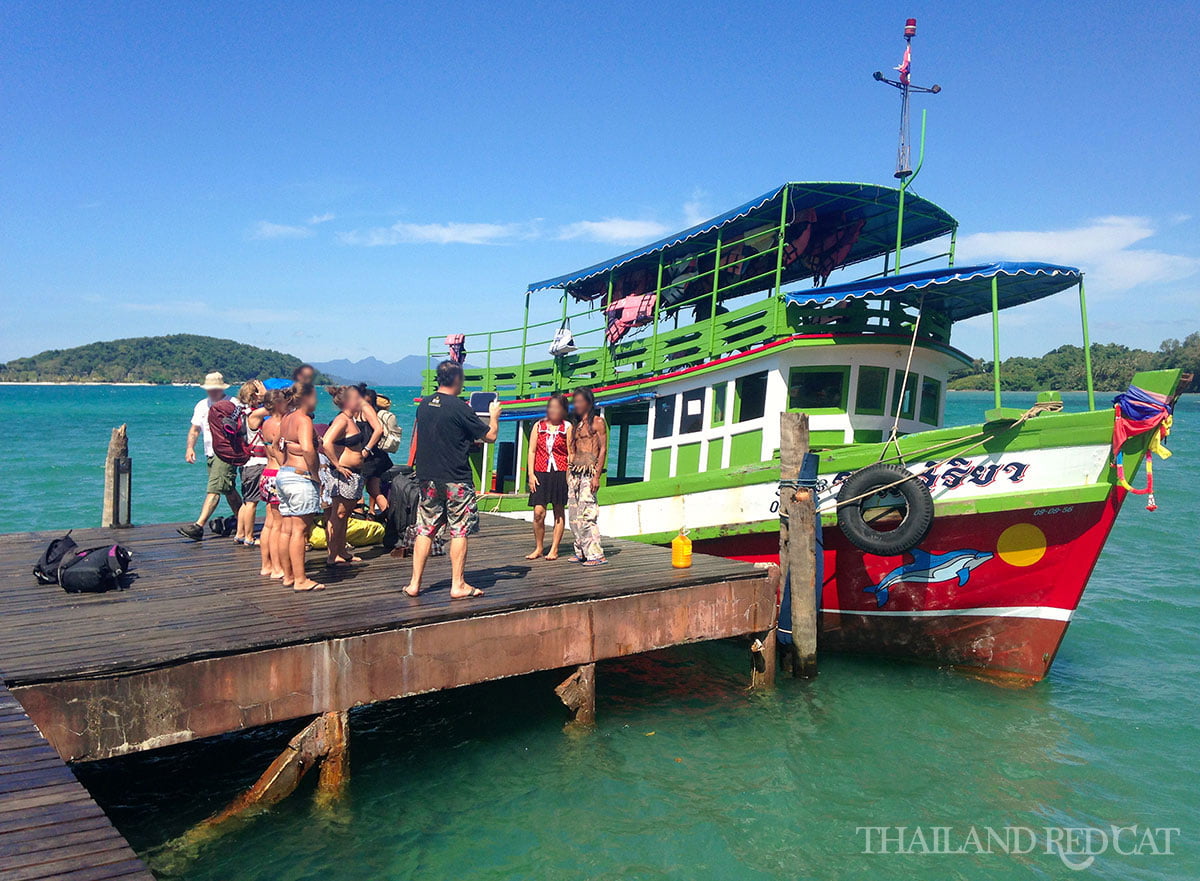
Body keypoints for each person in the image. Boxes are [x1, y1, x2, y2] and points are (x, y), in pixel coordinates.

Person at [403, 360, 499, 599]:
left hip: (427, 476)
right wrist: (494, 416)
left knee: (425, 528)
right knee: (459, 530)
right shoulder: (460, 407)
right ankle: (458, 584)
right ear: (457, 380)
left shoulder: (423, 404)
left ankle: (414, 584)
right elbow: (490, 436)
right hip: (456, 477)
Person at [320, 385, 384, 568]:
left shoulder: (350, 419)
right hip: (344, 474)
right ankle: (333, 554)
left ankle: (341, 551)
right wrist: (337, 464)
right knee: (338, 514)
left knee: (345, 514)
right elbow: (326, 442)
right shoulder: (342, 420)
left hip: (354, 474)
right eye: (357, 399)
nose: (360, 402)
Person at [179, 372, 243, 541]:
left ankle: (198, 526)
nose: (212, 392)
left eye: (215, 389)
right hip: (210, 452)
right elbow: (195, 429)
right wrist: (190, 448)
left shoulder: (233, 403)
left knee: (214, 489)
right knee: (228, 489)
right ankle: (243, 520)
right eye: (210, 389)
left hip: (227, 452)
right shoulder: (201, 405)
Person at [275, 382, 325, 591]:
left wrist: (284, 462)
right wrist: (315, 474)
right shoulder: (303, 419)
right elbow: (307, 449)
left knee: (286, 529)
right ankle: (301, 579)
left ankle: (288, 575)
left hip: (284, 474)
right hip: (300, 477)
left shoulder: (287, 418)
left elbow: (276, 445)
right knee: (299, 530)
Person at [526, 394, 572, 560]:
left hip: (560, 472)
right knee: (539, 512)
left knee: (558, 510)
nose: (553, 410)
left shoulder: (567, 427)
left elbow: (570, 453)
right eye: (551, 407)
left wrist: (569, 475)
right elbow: (531, 451)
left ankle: (554, 548)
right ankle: (539, 547)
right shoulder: (539, 426)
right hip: (540, 471)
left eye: (557, 407)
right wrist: (531, 474)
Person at [567, 387, 608, 566]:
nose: (576, 405)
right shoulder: (576, 425)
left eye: (579, 401)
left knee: (588, 514)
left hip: (589, 472)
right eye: (575, 401)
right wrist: (569, 472)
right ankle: (581, 551)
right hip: (575, 472)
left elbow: (603, 449)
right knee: (574, 516)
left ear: (588, 403)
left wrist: (597, 476)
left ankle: (596, 555)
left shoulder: (597, 422)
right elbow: (572, 448)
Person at [253, 388, 289, 579]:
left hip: (267, 473)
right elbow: (282, 454)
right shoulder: (279, 424)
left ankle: (266, 565)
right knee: (278, 525)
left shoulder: (265, 424)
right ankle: (277, 567)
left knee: (269, 523)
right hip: (278, 473)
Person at [234, 381, 267, 546]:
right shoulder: (254, 415)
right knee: (252, 503)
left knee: (247, 501)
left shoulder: (242, 413)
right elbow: (275, 407)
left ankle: (240, 534)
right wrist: (265, 394)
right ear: (254, 396)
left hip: (247, 464)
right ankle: (249, 537)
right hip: (257, 463)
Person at [360, 388, 397, 516]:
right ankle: (391, 520)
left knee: (358, 492)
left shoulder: (366, 412)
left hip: (368, 458)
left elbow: (378, 430)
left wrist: (366, 449)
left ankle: (359, 522)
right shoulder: (378, 412)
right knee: (374, 490)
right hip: (379, 456)